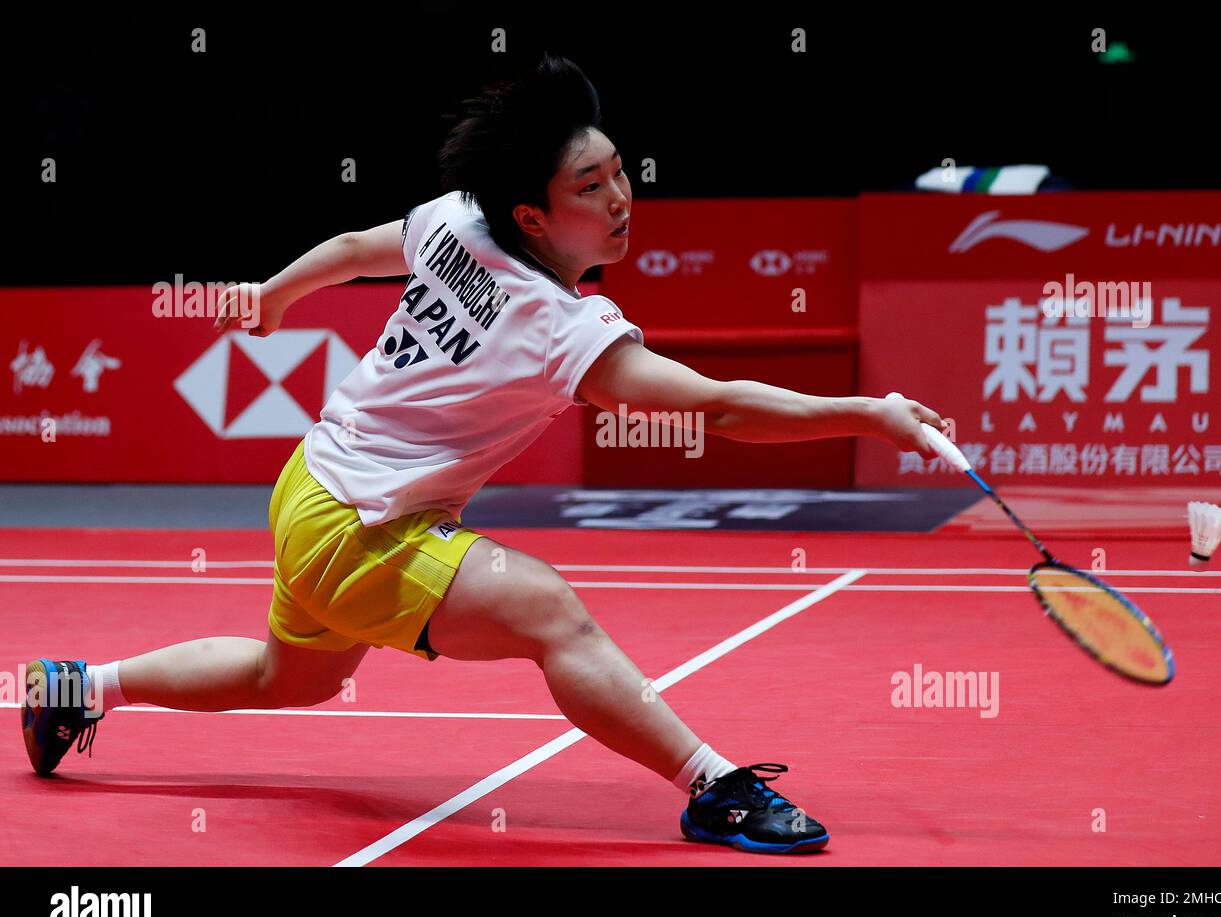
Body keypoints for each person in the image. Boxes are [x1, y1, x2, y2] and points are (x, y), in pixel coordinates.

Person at [22, 53, 944, 855]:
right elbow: (723, 409)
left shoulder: (459, 224)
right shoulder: (562, 326)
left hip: (314, 488)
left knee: (288, 677)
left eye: (619, 172)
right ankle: (714, 789)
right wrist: (873, 413)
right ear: (532, 216)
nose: (620, 198)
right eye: (589, 187)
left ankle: (81, 686)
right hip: (362, 525)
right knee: (552, 612)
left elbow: (347, 250)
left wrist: (273, 297)